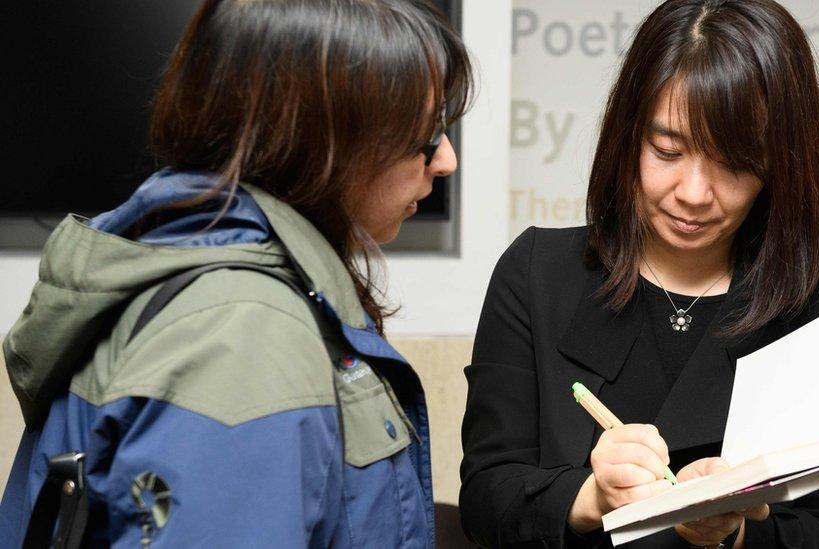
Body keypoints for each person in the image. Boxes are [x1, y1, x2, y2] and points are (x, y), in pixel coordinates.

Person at [0, 0, 471, 546]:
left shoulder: (204, 275)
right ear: (322, 138)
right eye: (425, 135)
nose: (445, 161)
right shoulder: (240, 334)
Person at [459, 0, 819, 547]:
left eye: (732, 163)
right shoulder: (539, 274)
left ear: (782, 163)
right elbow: (485, 498)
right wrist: (591, 497)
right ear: (627, 137)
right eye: (667, 150)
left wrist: (730, 534)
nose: (693, 194)